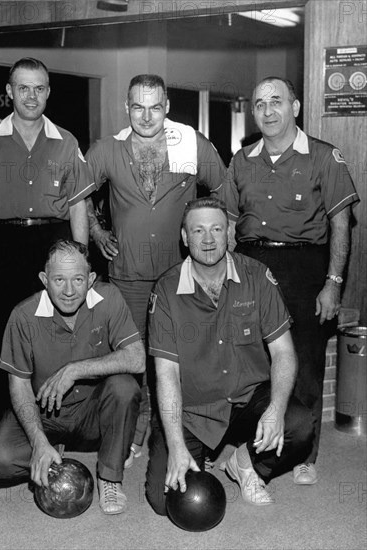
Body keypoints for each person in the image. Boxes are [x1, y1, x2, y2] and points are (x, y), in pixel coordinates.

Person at [223, 76, 360, 485]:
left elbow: (341, 224)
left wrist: (333, 282)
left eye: (276, 102)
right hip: (250, 264)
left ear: (295, 108)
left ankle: (304, 452)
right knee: (250, 359)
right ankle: (253, 439)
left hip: (304, 267)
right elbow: (228, 225)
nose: (267, 111)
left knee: (305, 362)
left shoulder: (323, 156)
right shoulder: (241, 159)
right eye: (259, 103)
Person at [85, 74, 227, 466]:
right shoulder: (106, 149)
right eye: (137, 107)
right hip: (127, 275)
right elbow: (75, 196)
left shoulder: (190, 143)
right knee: (134, 361)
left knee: (185, 358)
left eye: (155, 107)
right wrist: (96, 232)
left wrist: (213, 244)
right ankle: (134, 434)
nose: (146, 116)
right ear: (126, 107)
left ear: (167, 107)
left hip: (179, 275)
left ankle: (192, 438)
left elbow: (225, 192)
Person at [145, 197, 314, 514]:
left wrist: (276, 409)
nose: (208, 240)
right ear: (184, 238)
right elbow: (165, 374)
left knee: (299, 425)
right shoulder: (166, 290)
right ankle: (194, 452)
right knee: (163, 500)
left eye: (216, 229)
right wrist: (177, 446)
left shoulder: (257, 277)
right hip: (193, 409)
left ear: (229, 234)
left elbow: (284, 353)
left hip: (248, 397)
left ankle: (244, 463)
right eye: (198, 231)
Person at [0, 58, 94, 424]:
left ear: (48, 92)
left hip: (52, 244)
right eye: (23, 87)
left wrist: (81, 261)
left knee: (53, 336)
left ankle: (52, 426)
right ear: (9, 91)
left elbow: (79, 206)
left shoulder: (66, 141)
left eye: (39, 88)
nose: (32, 96)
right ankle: (7, 426)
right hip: (2, 245)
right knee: (1, 337)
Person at [0, 239, 145, 515]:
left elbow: (137, 359)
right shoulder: (23, 315)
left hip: (92, 410)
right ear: (45, 279)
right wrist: (38, 441)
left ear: (91, 279)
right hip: (45, 413)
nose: (69, 291)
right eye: (59, 279)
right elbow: (19, 386)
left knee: (124, 387)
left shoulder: (110, 299)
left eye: (78, 279)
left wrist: (74, 370)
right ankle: (51, 450)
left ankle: (109, 475)